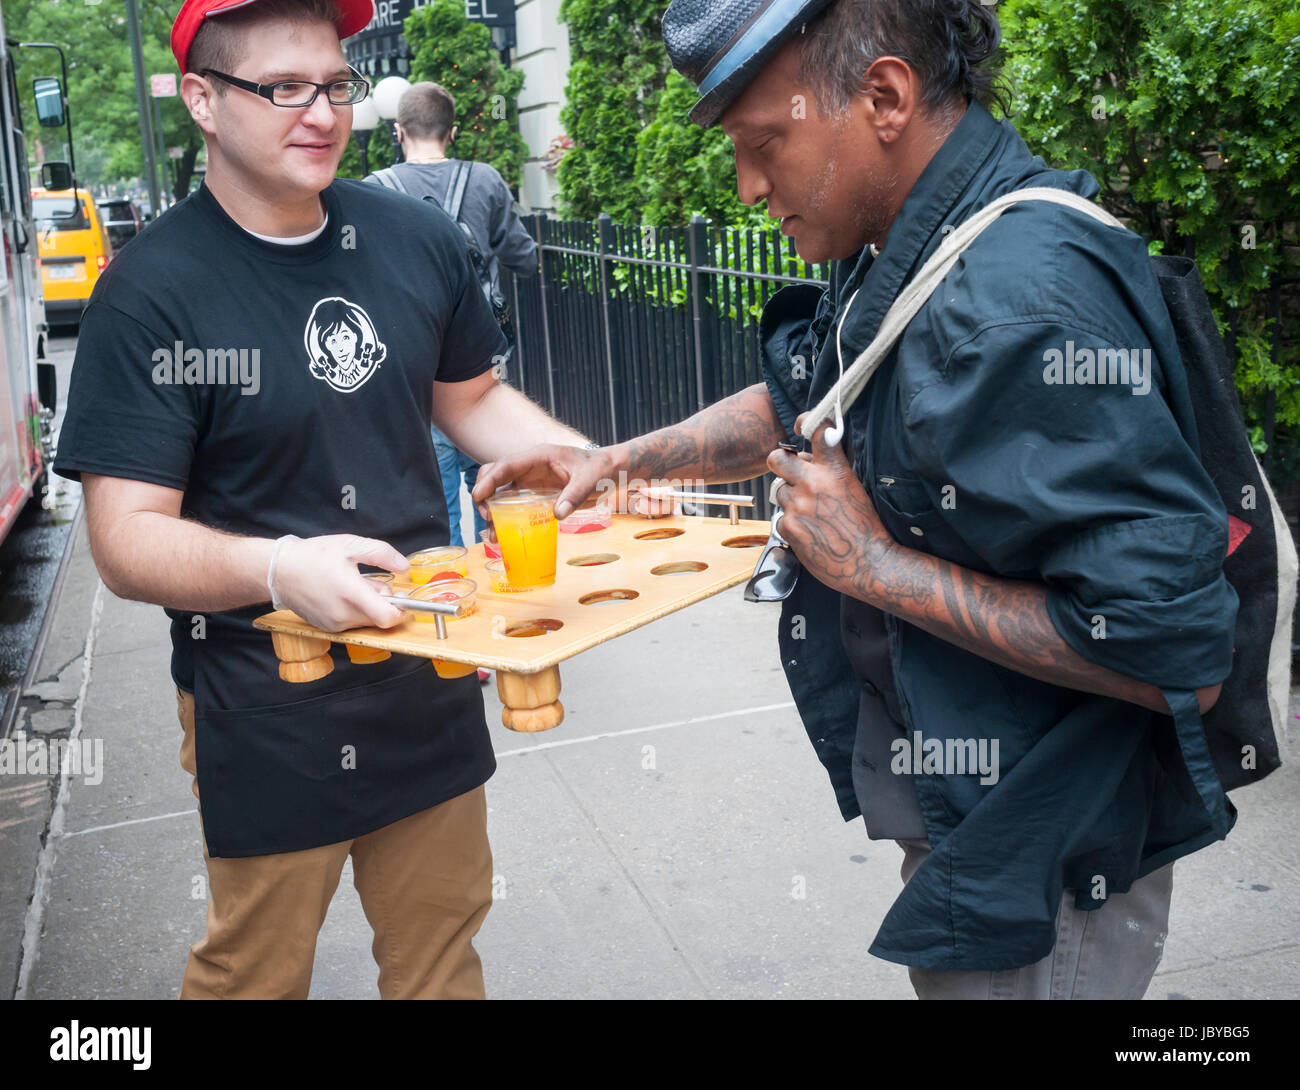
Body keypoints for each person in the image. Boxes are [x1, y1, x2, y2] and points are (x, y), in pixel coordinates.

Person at [473, 0, 1240, 999]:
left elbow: (1175, 652)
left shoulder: (1022, 301)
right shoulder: (909, 240)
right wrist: (615, 461)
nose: (749, 187)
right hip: (968, 807)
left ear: (884, 95)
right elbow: (812, 394)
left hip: (1044, 854)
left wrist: (875, 567)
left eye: (765, 144)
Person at [52, 0, 597, 1000]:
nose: (322, 113)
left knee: (441, 960)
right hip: (265, 688)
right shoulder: (150, 290)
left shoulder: (411, 238)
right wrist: (274, 568)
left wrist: (592, 462)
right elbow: (126, 539)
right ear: (206, 103)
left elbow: (471, 400)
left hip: (428, 657)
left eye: (337, 85)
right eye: (284, 88)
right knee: (254, 976)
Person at [365, 81, 538, 551]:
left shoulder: (376, 190)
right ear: (453, 131)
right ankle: (509, 572)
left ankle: (448, 584)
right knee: (499, 473)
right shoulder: (484, 179)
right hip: (484, 358)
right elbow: (523, 256)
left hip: (418, 363)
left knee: (436, 489)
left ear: (398, 132)